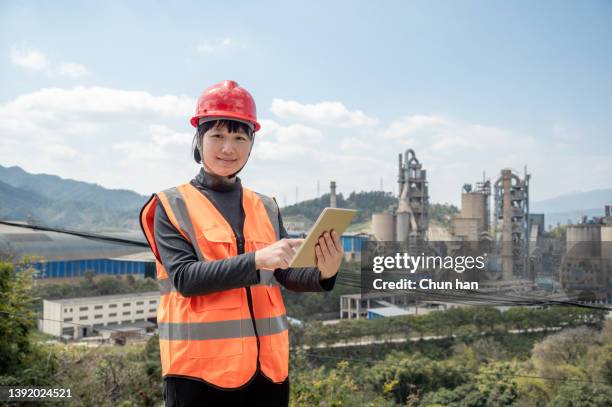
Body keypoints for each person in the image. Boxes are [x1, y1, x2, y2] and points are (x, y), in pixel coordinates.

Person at [139, 80, 343, 406]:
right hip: (199, 374)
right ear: (198, 140)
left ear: (251, 144)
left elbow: (284, 274)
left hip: (268, 372)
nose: (228, 148)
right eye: (217, 136)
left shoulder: (265, 205)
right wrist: (256, 260)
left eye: (239, 137)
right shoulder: (171, 205)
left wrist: (324, 273)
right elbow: (185, 279)